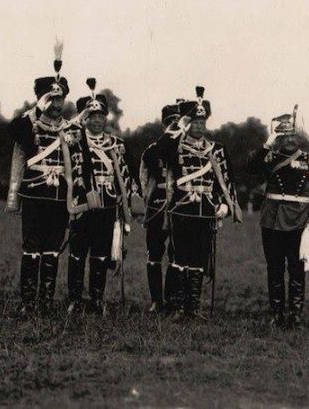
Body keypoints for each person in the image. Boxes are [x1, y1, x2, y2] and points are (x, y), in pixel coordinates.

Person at [6, 42, 81, 316]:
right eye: (51, 99)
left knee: (52, 249)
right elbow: (13, 134)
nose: (57, 105)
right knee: (32, 248)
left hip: (60, 196)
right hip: (35, 194)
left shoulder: (71, 129)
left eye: (60, 100)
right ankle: (28, 302)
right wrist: (36, 109)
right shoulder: (28, 124)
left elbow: (78, 164)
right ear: (41, 100)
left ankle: (46, 302)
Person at [159, 86, 241, 320]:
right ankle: (176, 306)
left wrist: (225, 205)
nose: (199, 126)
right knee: (179, 258)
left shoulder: (216, 149)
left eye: (202, 122)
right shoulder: (175, 146)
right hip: (182, 207)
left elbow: (226, 180)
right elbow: (161, 150)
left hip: (205, 209)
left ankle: (192, 308)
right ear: (187, 123)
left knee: (199, 259)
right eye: (194, 122)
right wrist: (178, 126)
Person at [247, 108, 309, 328]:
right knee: (274, 268)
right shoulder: (269, 158)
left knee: (297, 269)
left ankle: (295, 314)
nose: (290, 140)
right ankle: (277, 314)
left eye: (293, 135)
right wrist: (267, 145)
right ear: (278, 138)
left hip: (299, 222)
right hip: (272, 220)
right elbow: (251, 168)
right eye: (285, 136)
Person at [66, 83, 135, 316]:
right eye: (92, 115)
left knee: (101, 255)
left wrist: (126, 210)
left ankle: (96, 299)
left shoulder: (117, 144)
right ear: (85, 117)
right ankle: (75, 299)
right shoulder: (74, 141)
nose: (97, 120)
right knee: (77, 254)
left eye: (100, 116)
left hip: (107, 206)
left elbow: (126, 178)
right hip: (82, 206)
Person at [139, 102, 180, 312]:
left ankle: (172, 299)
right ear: (164, 123)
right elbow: (144, 179)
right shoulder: (153, 150)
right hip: (157, 205)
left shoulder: (188, 148)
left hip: (180, 204)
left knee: (177, 253)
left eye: (179, 120)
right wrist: (146, 201)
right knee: (154, 252)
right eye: (171, 121)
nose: (175, 124)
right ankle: (157, 300)